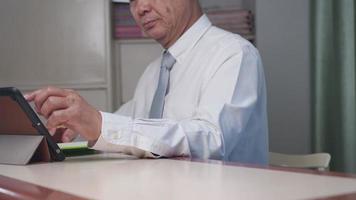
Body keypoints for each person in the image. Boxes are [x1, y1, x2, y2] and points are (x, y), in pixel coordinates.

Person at [25, 0, 268, 165]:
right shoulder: (153, 72)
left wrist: (100, 123)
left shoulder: (234, 53)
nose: (140, 8)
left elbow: (213, 140)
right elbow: (125, 129)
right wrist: (74, 126)